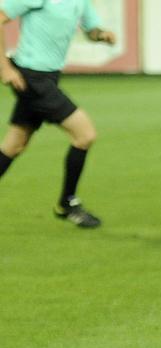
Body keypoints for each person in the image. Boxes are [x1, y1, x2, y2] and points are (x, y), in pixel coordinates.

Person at [0, 0, 116, 228]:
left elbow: (91, 30)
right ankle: (67, 203)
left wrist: (102, 35)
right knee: (85, 135)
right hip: (31, 78)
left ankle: (66, 204)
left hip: (49, 78)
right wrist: (4, 68)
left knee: (14, 145)